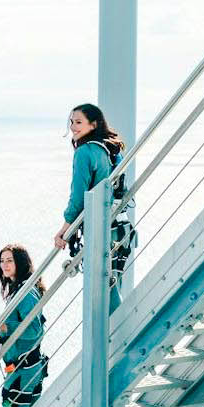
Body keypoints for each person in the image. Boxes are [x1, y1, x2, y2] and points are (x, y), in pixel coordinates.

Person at [55, 102, 131, 311]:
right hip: (120, 228)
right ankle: (120, 334)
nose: (73, 127)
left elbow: (78, 197)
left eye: (79, 122)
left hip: (101, 230)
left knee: (102, 300)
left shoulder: (85, 152)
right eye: (71, 122)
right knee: (114, 288)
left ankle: (115, 339)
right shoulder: (112, 150)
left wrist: (65, 229)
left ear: (93, 124)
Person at [0, 244, 47, 407]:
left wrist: (4, 327)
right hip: (22, 369)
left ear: (20, 262)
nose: (4, 265)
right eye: (2, 261)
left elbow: (35, 330)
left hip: (23, 371)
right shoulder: (18, 289)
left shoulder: (25, 292)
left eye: (9, 260)